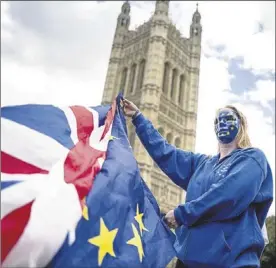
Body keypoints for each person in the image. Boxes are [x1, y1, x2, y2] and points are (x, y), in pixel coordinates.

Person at [122, 98, 273, 268]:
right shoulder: (202, 164)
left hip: (229, 263)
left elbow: (227, 196)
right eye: (218, 120)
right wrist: (138, 118)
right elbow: (166, 152)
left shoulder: (252, 158)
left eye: (228, 119)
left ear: (241, 125)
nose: (222, 123)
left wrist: (182, 214)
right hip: (187, 261)